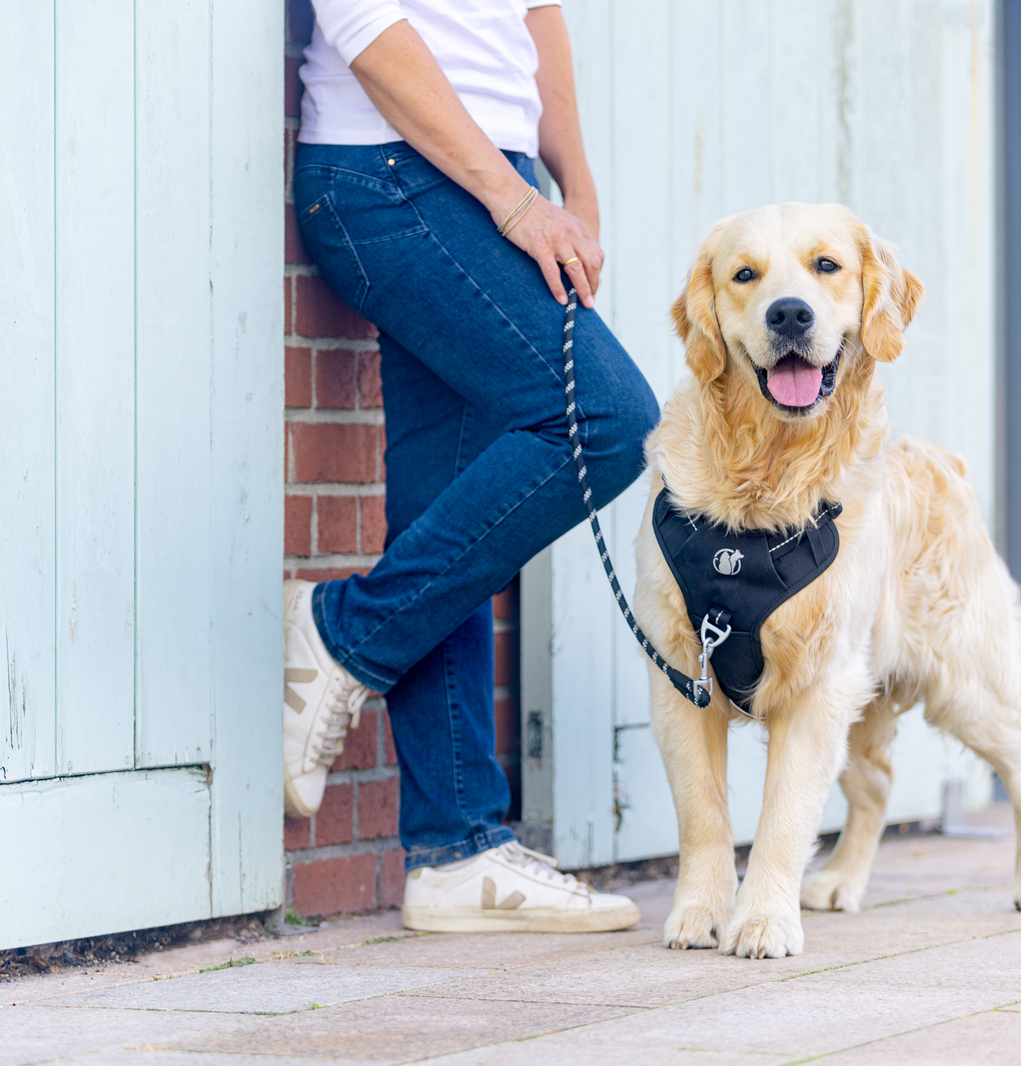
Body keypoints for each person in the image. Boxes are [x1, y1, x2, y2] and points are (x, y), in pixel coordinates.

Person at [284, 0, 658, 933]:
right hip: (389, 174)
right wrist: (513, 198)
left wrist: (572, 183)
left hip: (484, 176)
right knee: (605, 417)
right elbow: (365, 28)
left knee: (442, 503)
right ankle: (345, 628)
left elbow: (535, 19)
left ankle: (455, 849)